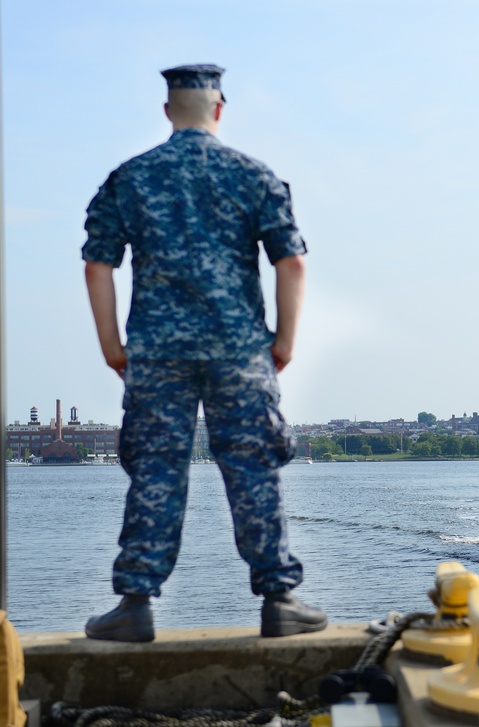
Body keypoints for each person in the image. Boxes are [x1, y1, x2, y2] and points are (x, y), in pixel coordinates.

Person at [81, 64, 326, 642]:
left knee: (156, 470)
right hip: (238, 349)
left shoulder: (132, 177)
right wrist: (284, 342)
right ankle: (279, 601)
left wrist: (112, 346)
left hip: (157, 352)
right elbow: (290, 261)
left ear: (169, 112)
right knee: (252, 468)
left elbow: (98, 263)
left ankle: (135, 605)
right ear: (219, 110)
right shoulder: (252, 175)